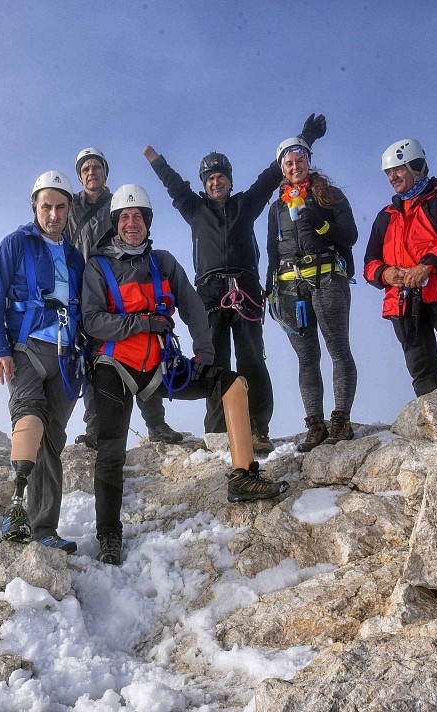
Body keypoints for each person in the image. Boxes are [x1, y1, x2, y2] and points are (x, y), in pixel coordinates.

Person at [82, 185, 289, 565]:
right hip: (113, 366)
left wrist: (205, 356)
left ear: (147, 223)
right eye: (125, 217)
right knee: (111, 451)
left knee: (232, 383)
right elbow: (93, 320)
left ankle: (243, 476)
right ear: (115, 224)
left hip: (160, 368)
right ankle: (109, 535)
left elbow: (194, 310)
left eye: (139, 217)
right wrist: (144, 323)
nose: (132, 223)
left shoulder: (163, 263)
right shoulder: (98, 266)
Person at [143, 114, 328, 454]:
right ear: (205, 183)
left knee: (251, 361)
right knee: (213, 363)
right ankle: (216, 431)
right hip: (210, 294)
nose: (216, 183)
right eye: (210, 178)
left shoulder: (246, 204)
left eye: (221, 177)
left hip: (245, 290)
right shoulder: (195, 209)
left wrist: (305, 139)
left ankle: (256, 427)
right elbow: (175, 185)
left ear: (229, 180)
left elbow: (273, 174)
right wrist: (157, 162)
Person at [0, 171, 85, 553]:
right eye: (47, 206)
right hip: (26, 348)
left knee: (53, 441)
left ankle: (44, 529)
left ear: (69, 210)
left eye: (60, 207)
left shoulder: (75, 257)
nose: (53, 214)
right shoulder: (15, 244)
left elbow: (86, 309)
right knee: (28, 417)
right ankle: (16, 505)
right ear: (35, 207)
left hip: (66, 356)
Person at [67, 147, 183, 448]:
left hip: (119, 284)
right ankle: (96, 428)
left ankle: (156, 424)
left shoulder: (117, 203)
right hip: (86, 288)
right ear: (80, 176)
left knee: (145, 348)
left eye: (96, 167)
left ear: (105, 172)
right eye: (85, 169)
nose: (91, 173)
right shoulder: (71, 207)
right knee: (93, 357)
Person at [363, 139, 437, 395]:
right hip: (403, 301)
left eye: (399, 169)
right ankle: (435, 432)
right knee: (422, 372)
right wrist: (385, 274)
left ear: (417, 166)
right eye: (388, 172)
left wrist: (427, 265)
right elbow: (369, 263)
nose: (392, 177)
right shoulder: (385, 216)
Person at [265, 137, 358, 451]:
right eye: (289, 163)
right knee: (307, 359)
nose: (295, 167)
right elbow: (271, 249)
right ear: (282, 168)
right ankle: (315, 426)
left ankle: (341, 421)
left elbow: (350, 235)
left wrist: (320, 225)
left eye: (299, 160)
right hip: (291, 287)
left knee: (337, 350)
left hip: (328, 278)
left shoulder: (329, 195)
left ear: (308, 161)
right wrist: (269, 283)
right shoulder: (277, 206)